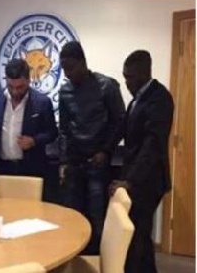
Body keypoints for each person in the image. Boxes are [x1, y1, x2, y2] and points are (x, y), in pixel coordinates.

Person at [109, 50, 174, 273]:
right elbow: (123, 130)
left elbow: (152, 146)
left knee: (139, 235)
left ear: (146, 73)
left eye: (131, 77)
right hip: (136, 177)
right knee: (139, 236)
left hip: (149, 180)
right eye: (125, 76)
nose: (127, 82)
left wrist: (130, 182)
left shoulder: (160, 98)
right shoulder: (137, 99)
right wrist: (103, 149)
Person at [59, 41, 126, 254]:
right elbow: (64, 129)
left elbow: (120, 122)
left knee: (97, 218)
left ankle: (97, 263)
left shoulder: (107, 86)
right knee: (72, 216)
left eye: (71, 67)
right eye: (64, 69)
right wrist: (64, 161)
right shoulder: (65, 91)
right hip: (74, 163)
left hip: (98, 162)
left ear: (83, 62)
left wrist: (106, 150)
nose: (68, 74)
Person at [0, 58, 58, 200]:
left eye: (19, 87)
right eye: (10, 86)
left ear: (28, 80)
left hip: (29, 168)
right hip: (2, 167)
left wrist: (34, 141)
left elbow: (52, 133)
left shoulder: (42, 102)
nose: (14, 91)